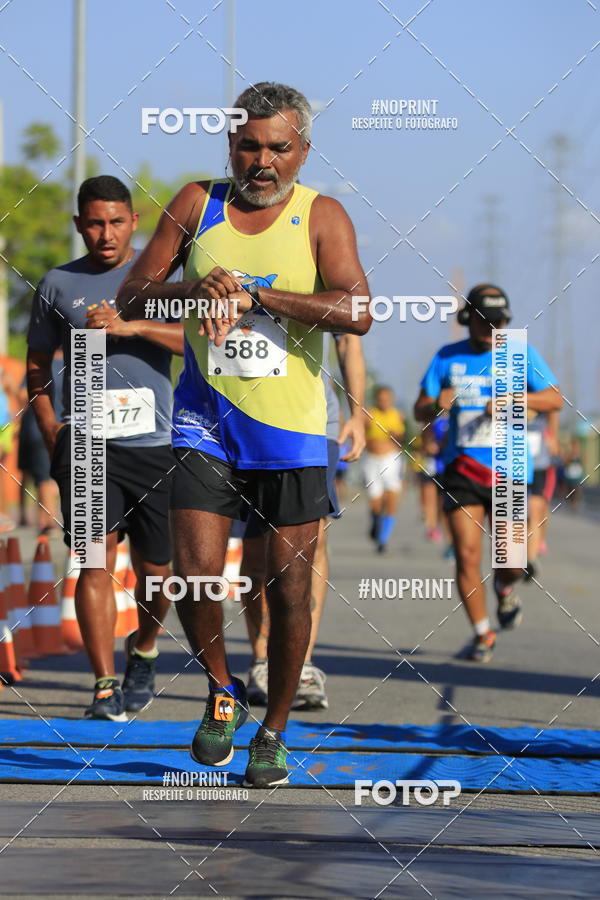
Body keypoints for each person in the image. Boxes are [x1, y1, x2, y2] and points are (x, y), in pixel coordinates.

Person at [116, 81, 371, 786]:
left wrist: (261, 295)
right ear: (230, 144)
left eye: (278, 149)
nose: (262, 162)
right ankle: (222, 693)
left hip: (291, 432)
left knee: (287, 590)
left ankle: (275, 729)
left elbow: (358, 311)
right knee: (198, 576)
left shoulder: (322, 215)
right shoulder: (196, 203)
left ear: (303, 150)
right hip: (205, 422)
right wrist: (190, 291)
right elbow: (133, 295)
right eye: (249, 146)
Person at [27, 175, 183, 721]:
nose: (106, 233)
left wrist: (130, 328)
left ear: (134, 222)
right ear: (79, 225)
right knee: (94, 560)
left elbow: (197, 342)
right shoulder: (57, 283)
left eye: (116, 222)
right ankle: (103, 684)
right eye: (95, 223)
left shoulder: (160, 278)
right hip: (88, 445)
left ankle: (144, 647)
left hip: (154, 444)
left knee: (157, 572)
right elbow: (37, 364)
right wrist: (50, 425)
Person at [414, 284, 562, 663]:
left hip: (509, 467)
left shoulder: (520, 353)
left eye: (499, 322)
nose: (493, 328)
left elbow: (554, 399)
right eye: (485, 321)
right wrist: (435, 405)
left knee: (511, 562)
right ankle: (483, 633)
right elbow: (419, 408)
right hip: (462, 468)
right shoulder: (447, 357)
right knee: (467, 555)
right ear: (468, 320)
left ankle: (505, 589)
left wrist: (513, 399)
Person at [242, 333, 366, 710]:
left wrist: (357, 414)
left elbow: (348, 338)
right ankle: (262, 660)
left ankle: (303, 663)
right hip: (242, 417)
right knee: (256, 546)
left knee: (313, 541)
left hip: (312, 420)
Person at [18, 353, 64, 532]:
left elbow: (23, 395)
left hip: (39, 428)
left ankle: (49, 523)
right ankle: (48, 518)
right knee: (59, 474)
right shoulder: (75, 366)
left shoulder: (40, 365)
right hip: (65, 428)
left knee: (43, 477)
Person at [364, 386, 405, 553]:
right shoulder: (370, 414)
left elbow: (402, 438)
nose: (384, 401)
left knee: (391, 496)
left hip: (390, 459)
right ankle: (376, 522)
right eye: (381, 398)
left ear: (392, 399)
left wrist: (396, 435)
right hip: (372, 460)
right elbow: (361, 434)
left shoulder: (397, 415)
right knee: (375, 499)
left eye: (387, 398)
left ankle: (383, 539)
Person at [524, 410, 559, 580]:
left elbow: (554, 408)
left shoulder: (543, 393)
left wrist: (553, 438)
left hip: (539, 463)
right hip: (512, 460)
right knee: (516, 512)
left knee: (535, 511)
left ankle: (530, 561)